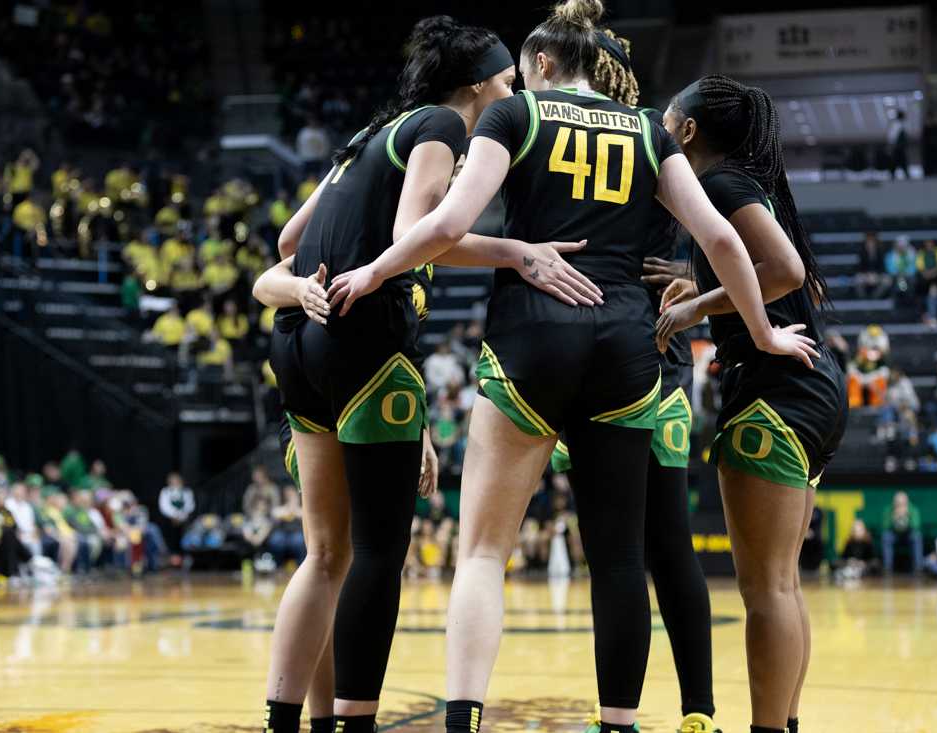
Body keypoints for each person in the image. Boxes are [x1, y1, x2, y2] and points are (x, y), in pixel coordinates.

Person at [328, 8, 818, 732]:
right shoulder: (650, 130)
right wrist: (764, 330)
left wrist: (375, 269)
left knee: (484, 551)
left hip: (534, 333)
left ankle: (463, 715)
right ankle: (618, 721)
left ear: (543, 63)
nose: (513, 83)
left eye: (520, 72)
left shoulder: (518, 115)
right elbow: (719, 236)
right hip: (627, 345)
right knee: (619, 558)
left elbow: (447, 225)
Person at [255, 17, 599, 733]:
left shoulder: (367, 138)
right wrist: (517, 251)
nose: (513, 93)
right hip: (365, 342)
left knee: (324, 554)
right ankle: (354, 721)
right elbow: (422, 229)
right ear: (478, 85)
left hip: (301, 344)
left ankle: (288, 721)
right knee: (380, 553)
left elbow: (289, 241)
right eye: (506, 82)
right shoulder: (443, 124)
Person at [654, 73, 847, 733]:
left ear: (686, 131)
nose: (659, 117)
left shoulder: (718, 184)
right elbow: (790, 282)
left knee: (764, 589)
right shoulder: (746, 187)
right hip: (812, 388)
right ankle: (784, 723)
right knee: (783, 585)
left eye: (667, 112)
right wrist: (700, 279)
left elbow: (787, 272)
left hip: (775, 390)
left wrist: (694, 307)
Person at [549, 26, 720, 732]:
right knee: (664, 544)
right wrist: (698, 275)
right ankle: (698, 711)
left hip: (614, 359)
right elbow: (723, 230)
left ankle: (624, 714)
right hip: (654, 358)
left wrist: (694, 278)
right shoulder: (650, 140)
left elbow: (726, 226)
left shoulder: (620, 137)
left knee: (622, 550)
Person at [882, 491, 923, 575]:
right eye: (898, 502)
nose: (900, 504)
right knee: (886, 536)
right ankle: (887, 568)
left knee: (917, 536)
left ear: (907, 501)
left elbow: (916, 526)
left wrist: (908, 516)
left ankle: (918, 568)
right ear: (894, 502)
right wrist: (893, 518)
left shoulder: (913, 509)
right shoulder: (888, 509)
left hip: (908, 535)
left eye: (902, 502)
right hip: (894, 535)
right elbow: (885, 526)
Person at [158, 472, 195, 556]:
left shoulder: (187, 492)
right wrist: (174, 515)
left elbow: (190, 506)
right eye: (172, 481)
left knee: (185, 533)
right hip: (169, 519)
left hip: (184, 519)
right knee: (170, 535)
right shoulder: (165, 492)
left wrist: (181, 516)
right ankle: (171, 554)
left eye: (177, 481)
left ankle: (185, 553)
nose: (175, 483)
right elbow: (164, 506)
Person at [855, 232, 889, 299]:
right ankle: (862, 298)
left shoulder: (880, 252)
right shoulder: (862, 253)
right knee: (857, 279)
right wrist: (867, 275)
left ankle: (875, 296)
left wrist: (876, 275)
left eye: (872, 243)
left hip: (877, 275)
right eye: (868, 243)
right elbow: (859, 268)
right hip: (866, 276)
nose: (870, 245)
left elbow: (883, 268)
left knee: (887, 280)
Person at [887, 109, 908, 179]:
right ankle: (894, 174)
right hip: (898, 147)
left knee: (898, 161)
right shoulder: (897, 125)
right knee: (898, 161)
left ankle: (894, 174)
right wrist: (895, 145)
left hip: (898, 147)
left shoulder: (899, 125)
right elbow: (892, 137)